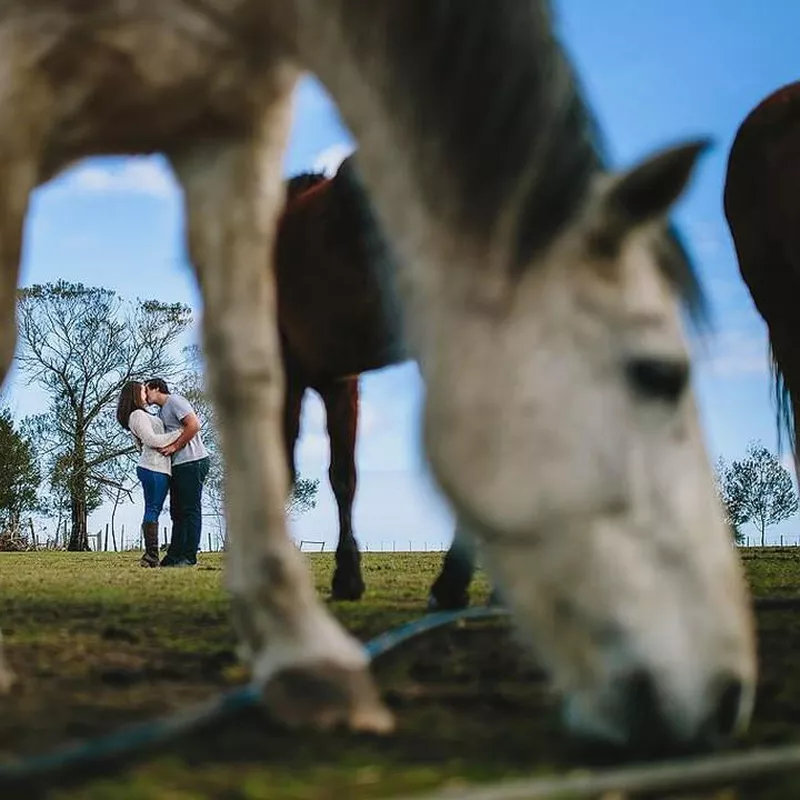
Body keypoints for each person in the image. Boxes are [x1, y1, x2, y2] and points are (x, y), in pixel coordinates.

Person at [144, 378, 210, 567]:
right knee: (177, 512)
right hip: (179, 466)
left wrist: (174, 447)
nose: (145, 395)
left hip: (192, 461)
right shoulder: (162, 411)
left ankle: (189, 557)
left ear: (156, 388)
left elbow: (194, 425)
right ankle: (174, 556)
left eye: (146, 390)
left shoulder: (175, 401)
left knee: (190, 510)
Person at [116, 381, 181, 567]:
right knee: (152, 509)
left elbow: (140, 444)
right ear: (136, 394)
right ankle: (151, 555)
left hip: (156, 467)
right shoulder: (137, 415)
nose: (147, 393)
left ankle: (151, 555)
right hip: (154, 468)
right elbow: (151, 440)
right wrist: (179, 433)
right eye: (143, 391)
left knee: (154, 509)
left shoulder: (140, 415)